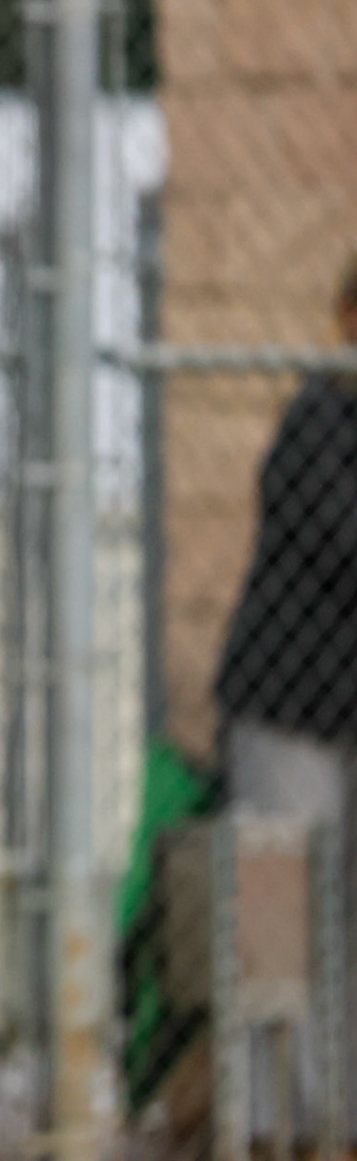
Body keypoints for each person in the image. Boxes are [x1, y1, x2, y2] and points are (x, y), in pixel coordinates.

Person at [213, 253, 357, 1129]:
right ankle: (273, 1123)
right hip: (288, 707)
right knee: (279, 905)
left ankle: (340, 1111)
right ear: (347, 319)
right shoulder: (317, 419)